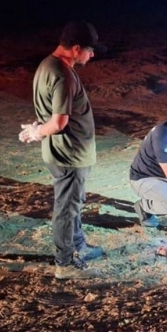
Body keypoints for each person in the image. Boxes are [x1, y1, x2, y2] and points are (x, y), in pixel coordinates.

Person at [19, 20, 106, 280]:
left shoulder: (48, 65)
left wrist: (38, 128)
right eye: (89, 50)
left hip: (66, 152)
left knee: (73, 203)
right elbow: (58, 122)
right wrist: (37, 132)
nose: (92, 55)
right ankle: (64, 264)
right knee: (67, 208)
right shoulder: (62, 74)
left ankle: (78, 244)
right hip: (69, 154)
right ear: (76, 48)